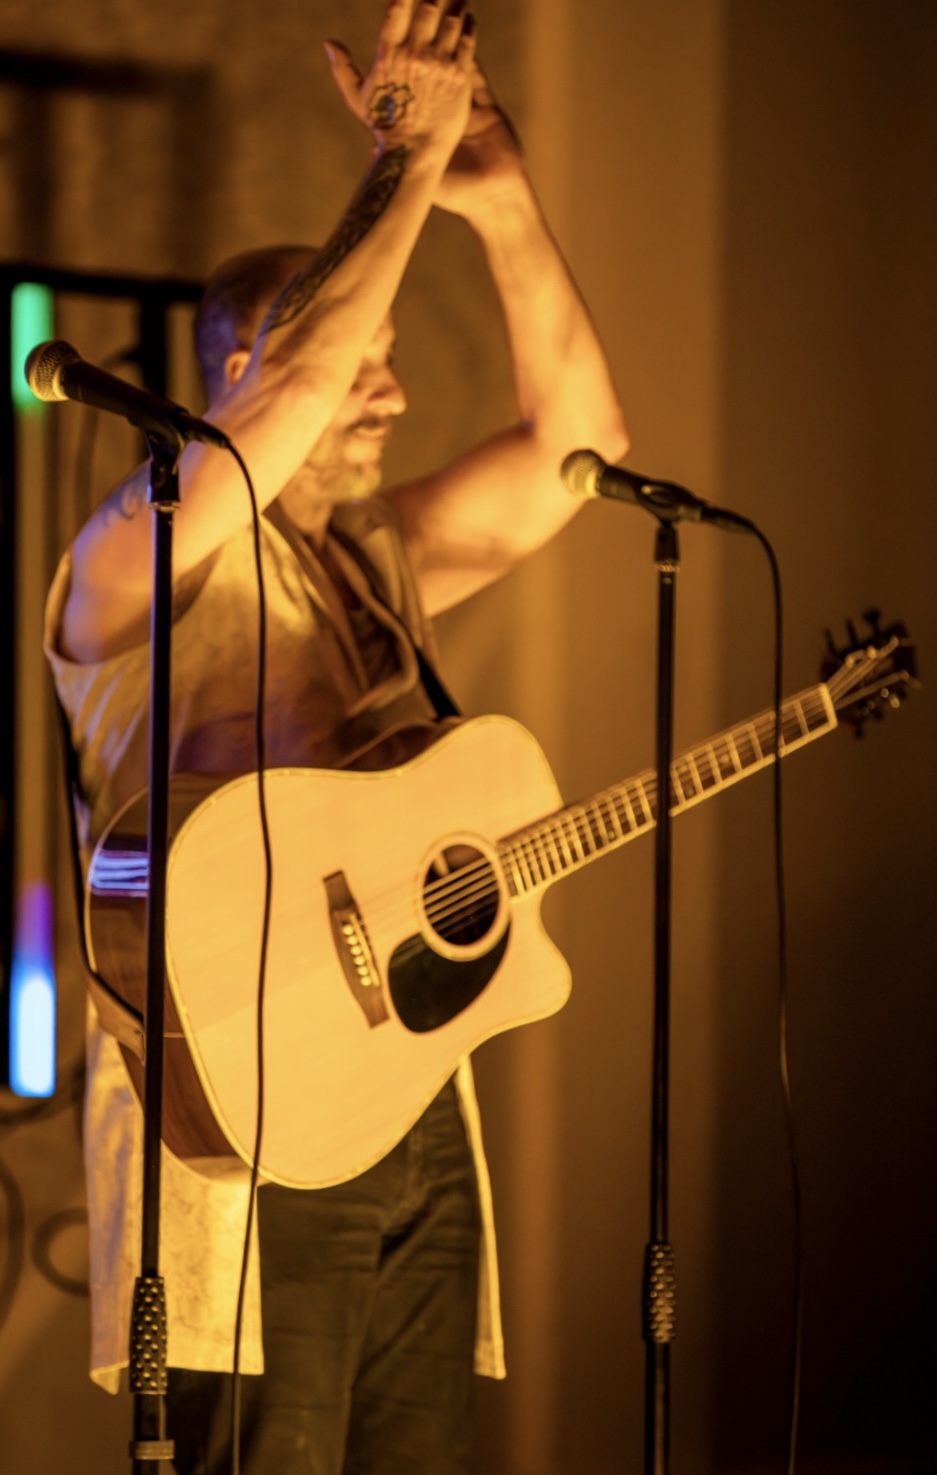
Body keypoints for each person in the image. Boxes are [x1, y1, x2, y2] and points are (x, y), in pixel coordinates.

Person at [44, 2, 628, 1472]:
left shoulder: (374, 552)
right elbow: (300, 394)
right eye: (361, 355)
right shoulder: (140, 554)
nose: (391, 389)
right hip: (229, 1097)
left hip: (400, 1086)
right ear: (234, 372)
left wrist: (496, 202)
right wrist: (405, 161)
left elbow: (580, 457)